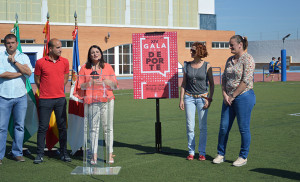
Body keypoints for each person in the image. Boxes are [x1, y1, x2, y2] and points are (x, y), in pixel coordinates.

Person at [213, 35, 256, 167]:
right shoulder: (229, 60)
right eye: (229, 44)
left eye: (231, 45)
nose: (229, 47)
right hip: (228, 98)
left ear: (240, 45)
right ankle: (221, 154)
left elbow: (245, 81)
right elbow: (224, 78)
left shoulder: (248, 59)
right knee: (224, 127)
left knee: (243, 128)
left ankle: (243, 157)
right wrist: (225, 94)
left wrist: (233, 96)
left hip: (244, 96)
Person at [74, 45, 118, 165]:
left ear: (101, 53)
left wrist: (105, 81)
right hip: (92, 101)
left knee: (108, 128)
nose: (95, 54)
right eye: (92, 52)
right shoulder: (84, 68)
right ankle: (94, 155)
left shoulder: (108, 67)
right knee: (93, 129)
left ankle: (109, 154)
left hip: (107, 100)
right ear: (89, 55)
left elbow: (114, 85)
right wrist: (90, 83)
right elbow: (80, 86)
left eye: (97, 51)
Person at [33, 38, 70, 164]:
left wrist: (58, 89)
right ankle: (39, 154)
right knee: (42, 128)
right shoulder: (40, 62)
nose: (60, 49)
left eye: (61, 47)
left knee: (62, 127)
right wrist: (45, 90)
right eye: (58, 47)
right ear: (50, 49)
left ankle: (64, 153)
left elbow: (65, 78)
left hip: (60, 99)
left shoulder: (65, 62)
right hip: (45, 100)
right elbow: (37, 79)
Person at [0, 34, 33, 164]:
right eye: (8, 43)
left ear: (17, 43)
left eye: (13, 42)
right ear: (4, 44)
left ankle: (17, 153)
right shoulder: (1, 57)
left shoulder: (23, 57)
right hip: (3, 96)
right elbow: (2, 74)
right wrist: (21, 72)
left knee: (19, 127)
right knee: (1, 128)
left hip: (20, 97)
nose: (11, 45)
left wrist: (14, 62)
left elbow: (29, 73)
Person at [179, 42, 214, 161]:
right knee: (190, 126)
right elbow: (183, 83)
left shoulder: (207, 66)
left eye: (193, 51)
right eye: (191, 50)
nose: (191, 52)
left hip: (202, 98)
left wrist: (209, 99)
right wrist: (181, 99)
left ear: (199, 52)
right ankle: (191, 152)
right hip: (189, 97)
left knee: (202, 126)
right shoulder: (186, 65)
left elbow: (212, 84)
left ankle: (202, 152)